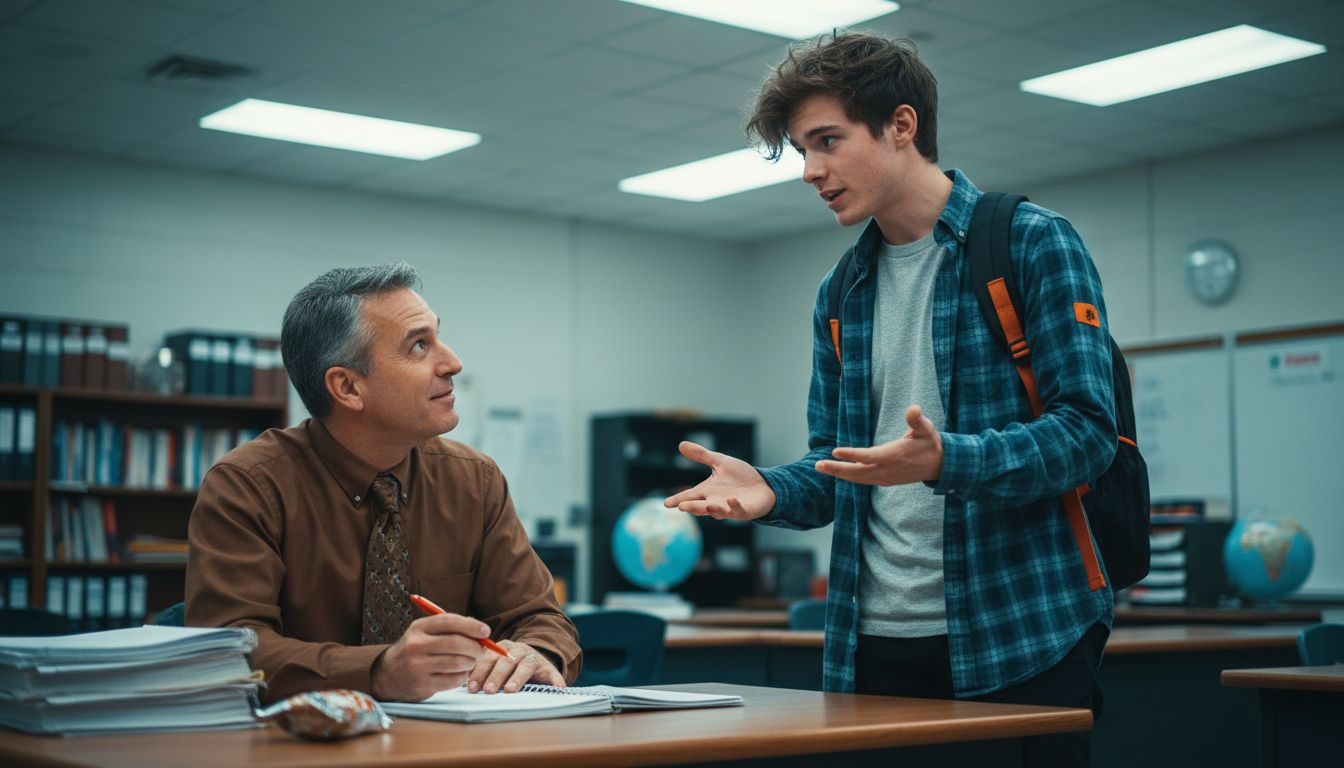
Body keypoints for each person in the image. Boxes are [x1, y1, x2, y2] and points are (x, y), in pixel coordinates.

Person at [665, 33, 1113, 766]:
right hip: (871, 647)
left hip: (1023, 639)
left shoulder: (1032, 243)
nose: (811, 170)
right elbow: (840, 469)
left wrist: (948, 461)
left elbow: (1088, 433)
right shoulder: (841, 292)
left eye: (827, 141)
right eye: (801, 151)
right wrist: (770, 492)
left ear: (901, 126)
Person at [187, 263, 580, 703]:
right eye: (418, 346)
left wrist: (536, 651)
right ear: (348, 387)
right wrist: (376, 672)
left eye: (438, 335)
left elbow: (540, 618)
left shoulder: (476, 481)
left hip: (450, 744)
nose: (453, 362)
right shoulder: (249, 486)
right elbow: (228, 650)